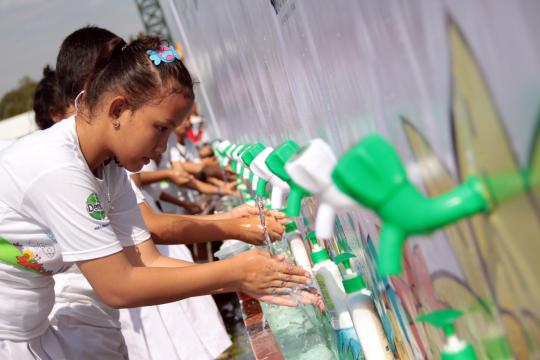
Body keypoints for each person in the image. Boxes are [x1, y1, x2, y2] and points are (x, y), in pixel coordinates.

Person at [0, 34, 311, 359]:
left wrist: (240, 279)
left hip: (32, 328)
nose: (163, 146)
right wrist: (235, 272)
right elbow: (118, 286)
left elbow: (147, 260)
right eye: (160, 128)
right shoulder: (58, 169)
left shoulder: (109, 169)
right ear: (118, 108)